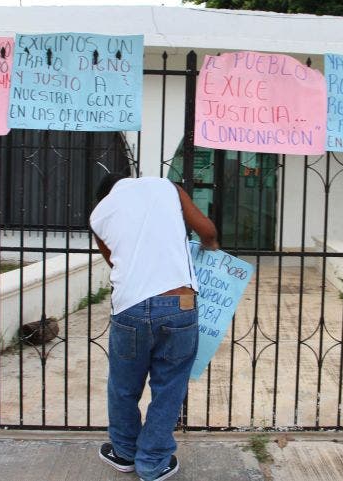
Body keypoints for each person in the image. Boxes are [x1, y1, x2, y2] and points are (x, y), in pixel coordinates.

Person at [90, 174, 218, 481]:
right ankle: (153, 463)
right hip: (179, 303)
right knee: (170, 386)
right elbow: (207, 230)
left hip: (129, 307)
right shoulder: (166, 187)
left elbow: (115, 262)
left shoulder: (98, 215)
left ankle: (123, 452)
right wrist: (210, 247)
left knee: (123, 386)